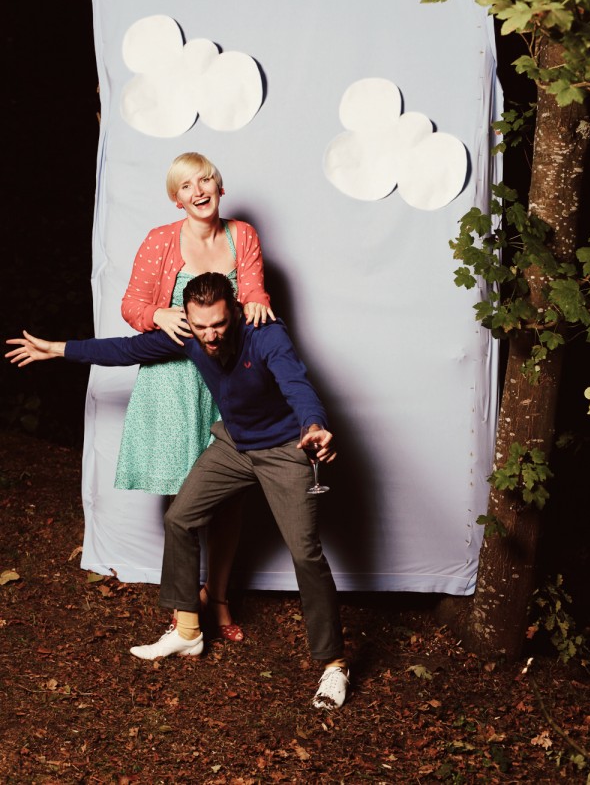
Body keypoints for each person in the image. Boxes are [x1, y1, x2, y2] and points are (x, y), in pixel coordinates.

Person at [6, 273, 350, 709]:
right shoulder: (188, 335)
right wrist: (57, 349)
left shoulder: (265, 334)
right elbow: (126, 349)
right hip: (234, 445)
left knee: (304, 553)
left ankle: (334, 664)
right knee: (180, 519)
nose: (210, 335)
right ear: (187, 317)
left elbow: (297, 384)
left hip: (286, 448)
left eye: (219, 324)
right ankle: (188, 630)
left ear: (235, 312)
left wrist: (315, 425)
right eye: (201, 325)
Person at [117, 152, 275, 641]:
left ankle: (219, 597)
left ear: (219, 188)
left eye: (205, 180)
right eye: (186, 186)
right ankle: (185, 607)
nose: (198, 190)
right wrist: (156, 315)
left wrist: (258, 303)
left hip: (226, 378)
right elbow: (131, 304)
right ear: (176, 198)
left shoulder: (242, 235)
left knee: (228, 495)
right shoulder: (160, 240)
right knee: (183, 498)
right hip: (171, 381)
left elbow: (255, 295)